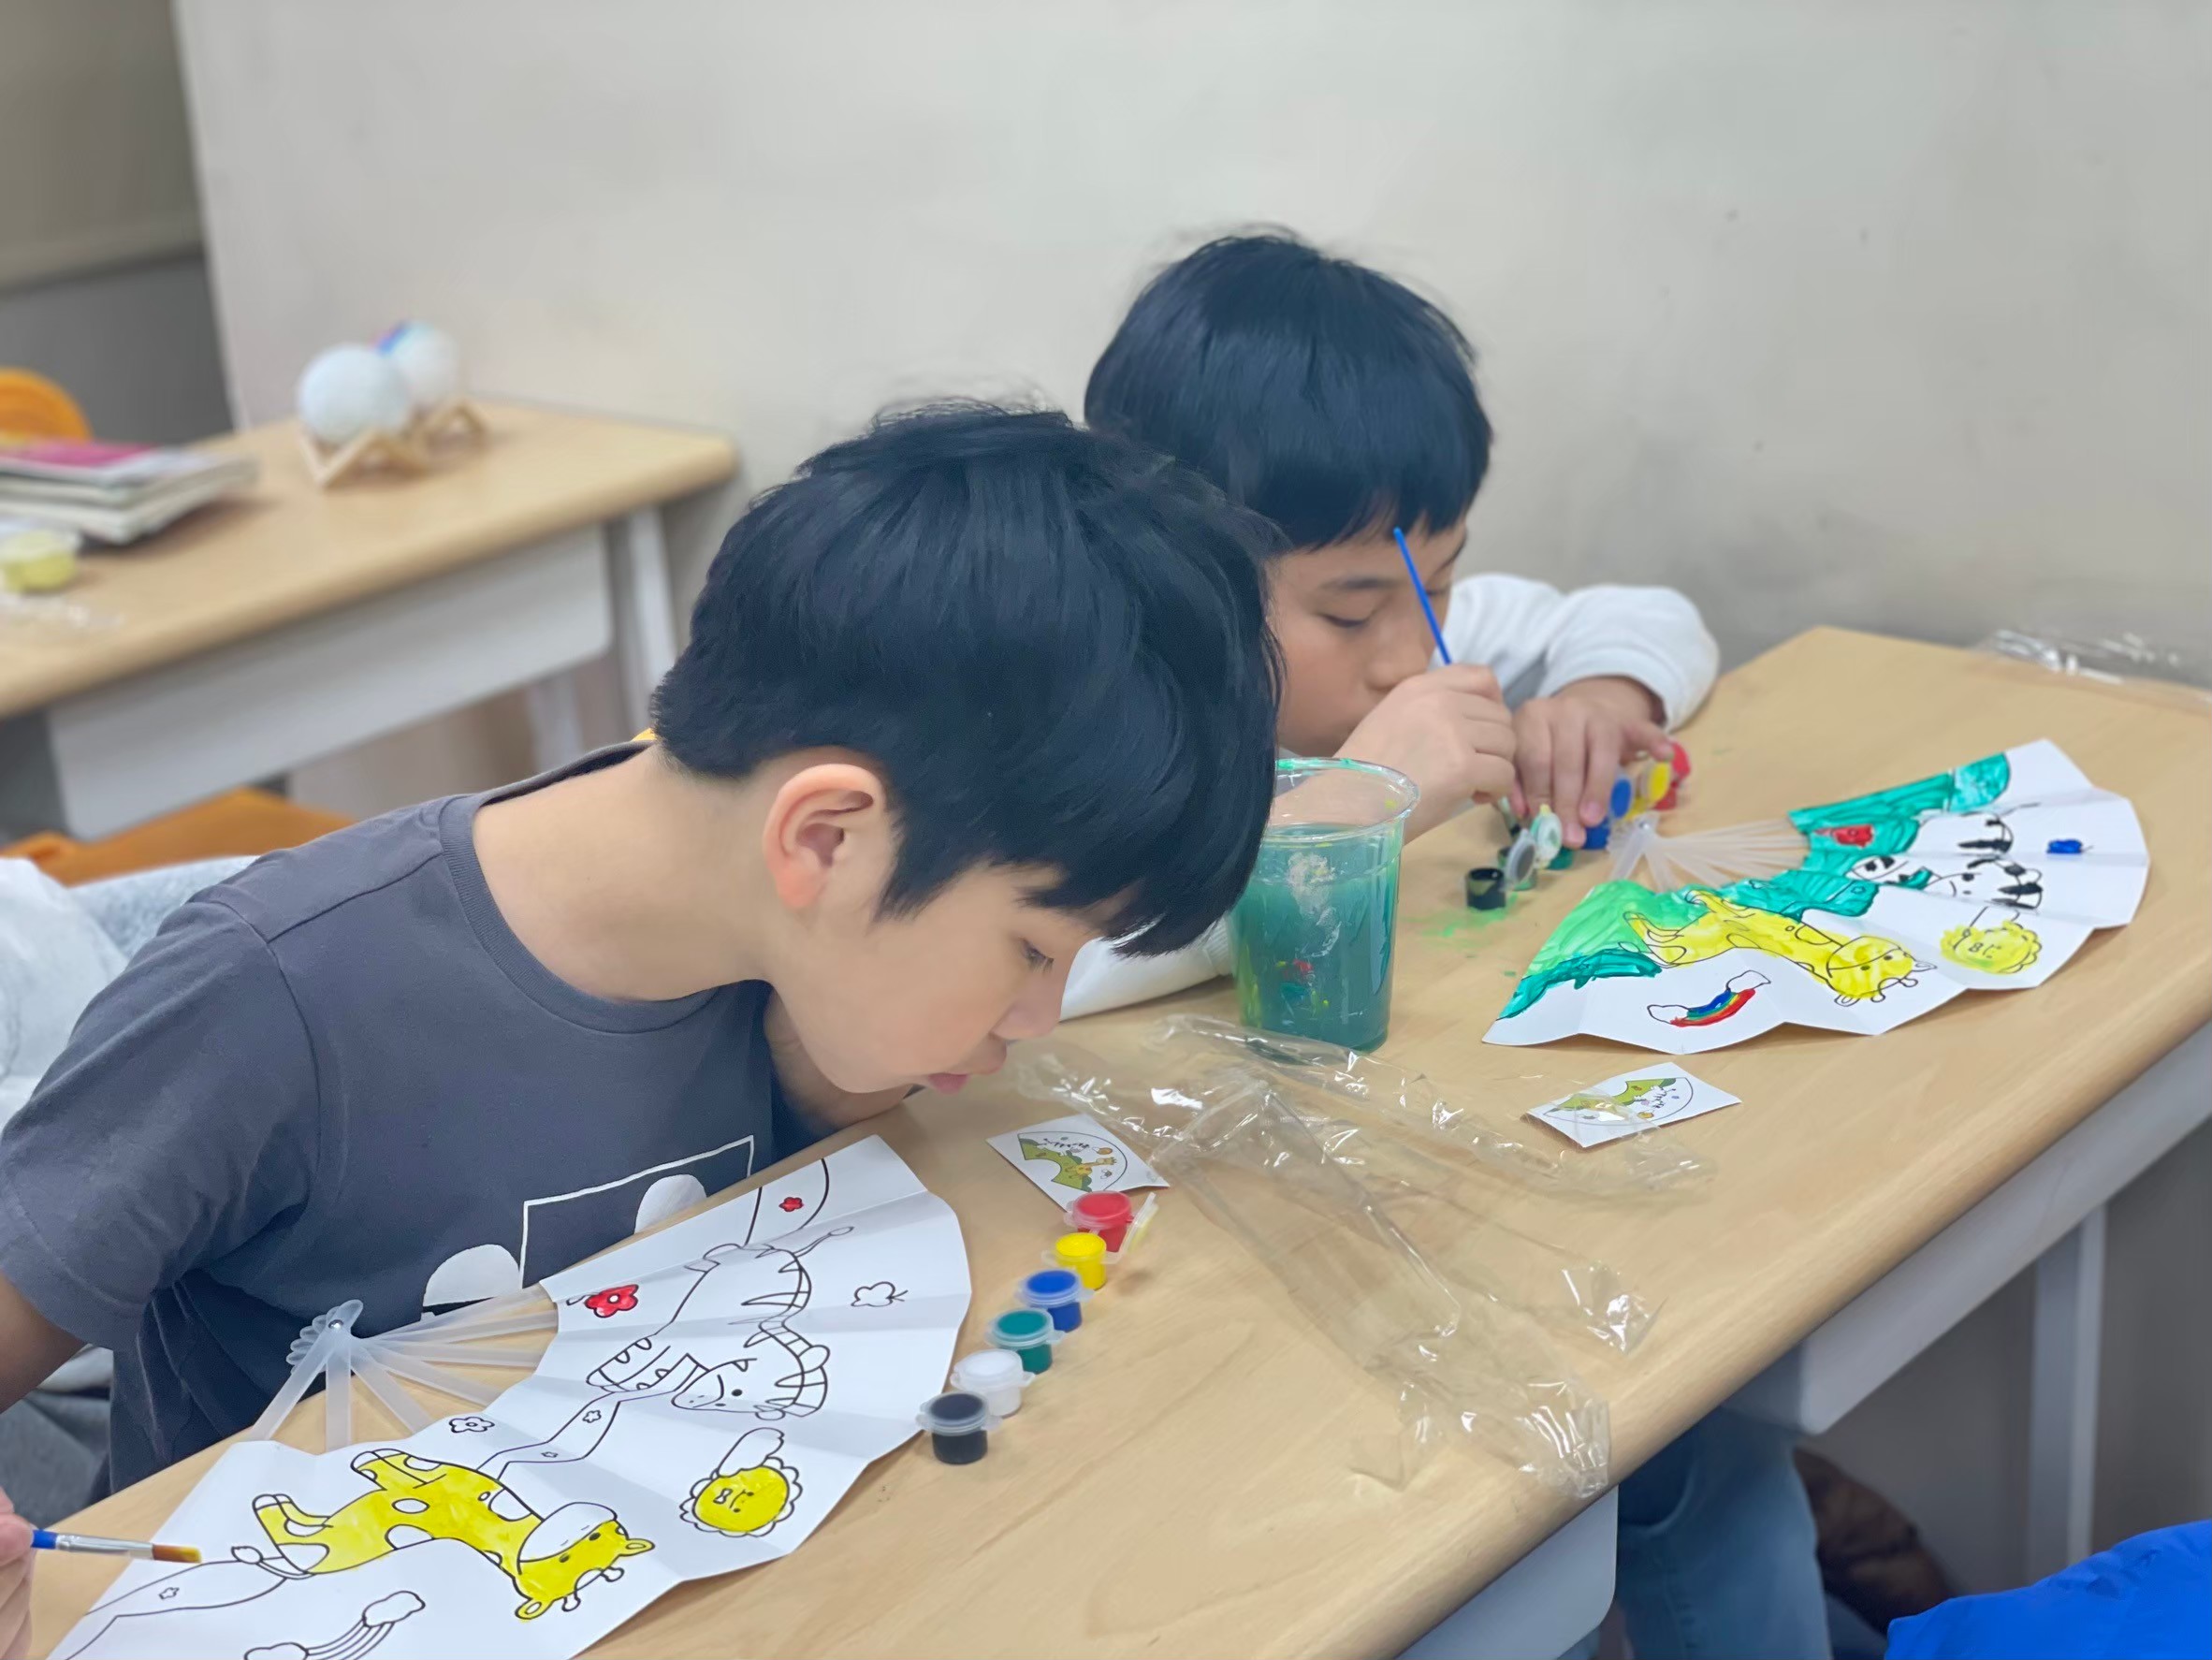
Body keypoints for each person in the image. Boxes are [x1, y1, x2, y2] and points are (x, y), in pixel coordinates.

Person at [0, 405, 1284, 1624]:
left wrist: (844, 1078)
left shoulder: (787, 960)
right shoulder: (275, 993)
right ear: (824, 837)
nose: (1038, 1017)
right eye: (1032, 950)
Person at [1062, 230, 1719, 1016]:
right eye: (1351, 613)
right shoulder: (1086, 724)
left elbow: (1651, 617)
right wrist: (1341, 817)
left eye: (1440, 584)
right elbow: (1049, 967)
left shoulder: (1414, 629)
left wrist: (1599, 699)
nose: (1409, 659)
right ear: (1174, 570)